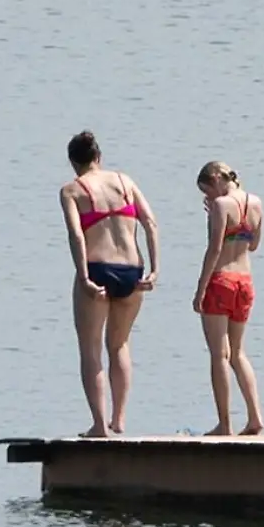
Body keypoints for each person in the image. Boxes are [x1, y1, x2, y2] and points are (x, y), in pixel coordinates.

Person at [59, 131, 159, 437]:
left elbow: (76, 235)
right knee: (119, 344)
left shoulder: (72, 190)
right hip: (132, 270)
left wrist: (84, 277)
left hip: (98, 268)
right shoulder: (124, 181)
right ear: (98, 157)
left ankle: (100, 426)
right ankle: (119, 419)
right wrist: (154, 269)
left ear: (73, 162)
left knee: (90, 349)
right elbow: (150, 222)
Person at [192, 161, 264, 436]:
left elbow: (214, 249)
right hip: (245, 281)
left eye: (207, 191)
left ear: (216, 179)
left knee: (218, 355)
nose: (208, 198)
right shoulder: (255, 202)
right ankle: (255, 417)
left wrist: (200, 290)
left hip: (221, 280)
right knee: (238, 352)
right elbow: (253, 245)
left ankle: (225, 424)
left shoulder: (221, 206)